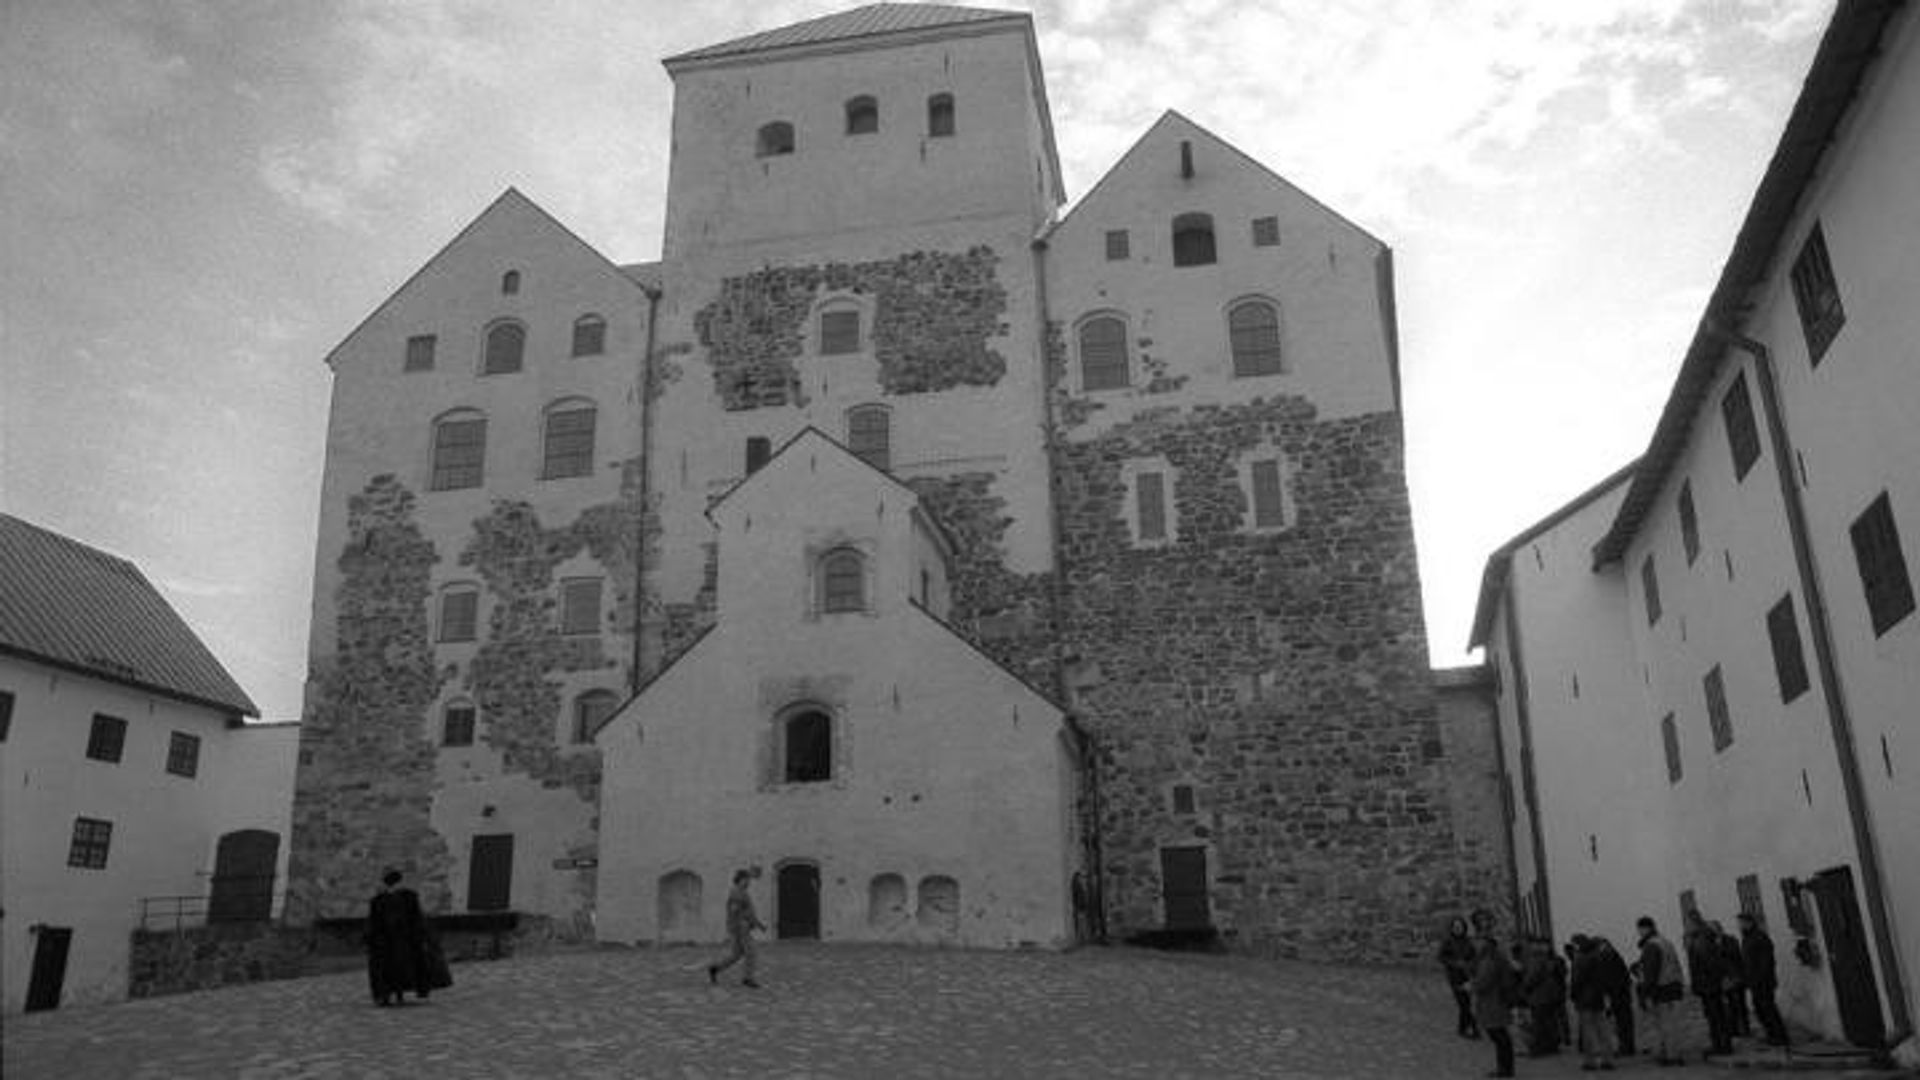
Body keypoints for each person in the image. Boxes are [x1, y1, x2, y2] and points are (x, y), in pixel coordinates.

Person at [366, 868, 430, 1007]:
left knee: (387, 968)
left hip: (389, 941)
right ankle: (395, 993)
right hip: (399, 940)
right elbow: (416, 919)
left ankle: (387, 994)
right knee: (397, 967)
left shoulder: (380, 900)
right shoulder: (408, 897)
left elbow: (374, 923)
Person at [1469, 909, 1519, 1078]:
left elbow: (1484, 980)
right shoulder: (1489, 956)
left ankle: (1505, 1069)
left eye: (1478, 941)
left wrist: (1471, 985)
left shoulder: (1490, 958)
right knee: (1500, 1036)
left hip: (1494, 1001)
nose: (1476, 944)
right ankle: (1505, 1068)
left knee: (1499, 1035)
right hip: (1495, 1000)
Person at [1635, 916, 1687, 1066]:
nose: (1639, 932)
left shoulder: (1651, 946)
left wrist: (1646, 994)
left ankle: (1672, 1056)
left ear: (1645, 928)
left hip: (1662, 989)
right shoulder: (1665, 942)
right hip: (1674, 986)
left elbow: (1651, 973)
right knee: (1671, 1024)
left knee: (1665, 1025)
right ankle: (1671, 1053)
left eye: (1639, 929)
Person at [1684, 910, 1734, 1057]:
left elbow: (1709, 963)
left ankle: (1721, 1046)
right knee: (1716, 1015)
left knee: (1715, 1016)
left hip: (1708, 984)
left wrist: (1709, 981)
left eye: (1687, 923)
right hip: (1709, 983)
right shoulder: (1702, 937)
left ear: (1693, 923)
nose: (1686, 927)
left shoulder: (1701, 940)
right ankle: (1721, 1044)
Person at [1738, 912, 1791, 1046]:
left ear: (1749, 922)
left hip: (1763, 982)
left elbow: (1766, 961)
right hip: (1754, 981)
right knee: (1760, 1009)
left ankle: (1780, 1036)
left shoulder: (1760, 937)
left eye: (1741, 923)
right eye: (1739, 923)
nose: (1740, 925)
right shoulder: (1747, 938)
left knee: (1768, 1009)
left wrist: (1760, 978)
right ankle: (1771, 1034)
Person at [708, 868, 765, 989]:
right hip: (740, 928)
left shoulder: (742, 892)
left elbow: (748, 911)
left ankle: (715, 968)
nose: (748, 882)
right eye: (747, 880)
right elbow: (735, 911)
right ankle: (748, 978)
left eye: (749, 880)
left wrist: (758, 924)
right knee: (751, 952)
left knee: (736, 954)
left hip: (739, 927)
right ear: (741, 880)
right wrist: (743, 924)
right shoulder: (737, 893)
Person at [1569, 935, 1617, 1071]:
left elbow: (1577, 980)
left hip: (1584, 999)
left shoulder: (1581, 958)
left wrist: (1573, 994)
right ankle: (1607, 1059)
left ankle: (1590, 1061)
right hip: (1598, 998)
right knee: (1603, 1030)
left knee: (1587, 1032)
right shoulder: (1599, 957)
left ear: (1578, 944)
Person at [1520, 936, 1565, 1056]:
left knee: (1540, 1021)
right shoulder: (1546, 958)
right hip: (1548, 995)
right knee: (1549, 1021)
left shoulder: (1536, 959)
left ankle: (1540, 1047)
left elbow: (1532, 977)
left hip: (1539, 995)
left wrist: (1525, 986)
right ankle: (1552, 1045)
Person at [1592, 936, 1636, 1058]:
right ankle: (1627, 1047)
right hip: (1621, 995)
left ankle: (1624, 1047)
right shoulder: (1614, 956)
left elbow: (1609, 980)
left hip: (1616, 995)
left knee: (1620, 1023)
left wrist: (1608, 997)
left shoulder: (1607, 957)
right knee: (1624, 1022)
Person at [1440, 916, 1481, 1039]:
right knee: (1463, 1003)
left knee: (1466, 1002)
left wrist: (1469, 964)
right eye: (1455, 927)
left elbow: (1474, 957)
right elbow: (1442, 957)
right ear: (1452, 928)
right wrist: (1454, 963)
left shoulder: (1468, 942)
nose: (1458, 929)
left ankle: (1462, 1028)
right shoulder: (1448, 942)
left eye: (1460, 927)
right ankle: (1474, 1027)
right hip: (1454, 977)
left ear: (1464, 928)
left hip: (1467, 976)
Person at [1715, 921, 1750, 1038]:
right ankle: (1733, 1028)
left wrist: (1720, 948)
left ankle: (1745, 1028)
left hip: (1735, 976)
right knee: (1729, 1005)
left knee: (1740, 1004)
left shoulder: (1730, 940)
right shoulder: (1712, 942)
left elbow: (1734, 955)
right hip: (1724, 978)